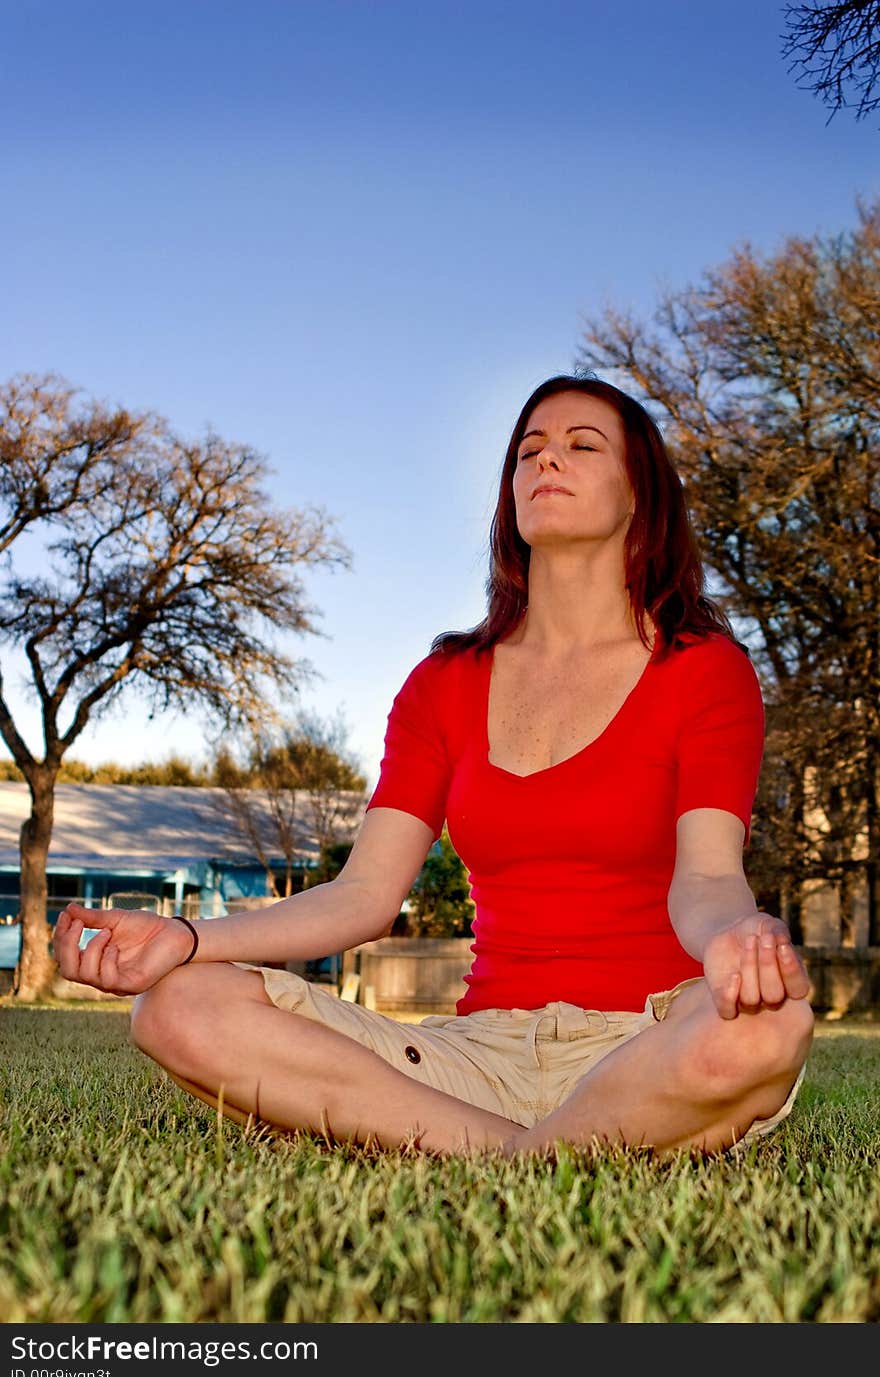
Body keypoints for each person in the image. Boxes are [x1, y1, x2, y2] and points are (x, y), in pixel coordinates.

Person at [53, 373, 815, 1159]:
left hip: (647, 1044)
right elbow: (363, 895)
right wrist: (185, 936)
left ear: (639, 494)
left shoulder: (705, 668)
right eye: (530, 451)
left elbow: (709, 877)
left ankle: (496, 1155)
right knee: (175, 1008)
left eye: (582, 445)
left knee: (770, 1025)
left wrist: (737, 934)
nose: (547, 461)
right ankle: (546, 1153)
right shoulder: (444, 683)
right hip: (470, 1056)